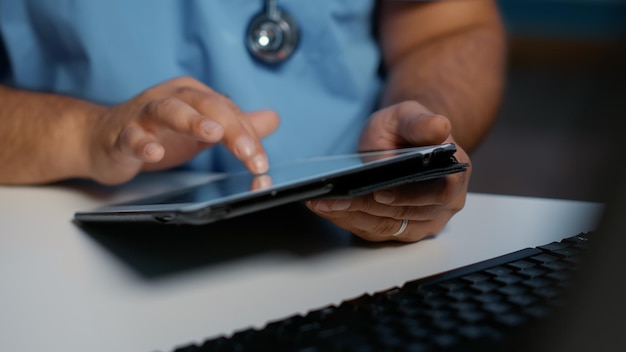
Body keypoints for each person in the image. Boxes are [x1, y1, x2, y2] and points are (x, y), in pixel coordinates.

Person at [0, 0, 505, 242]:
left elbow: (447, 26)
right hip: (69, 251)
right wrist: (82, 132)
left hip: (359, 256)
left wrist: (420, 141)